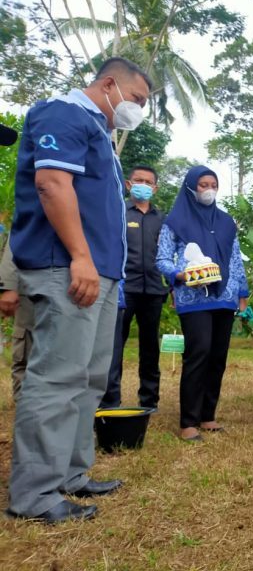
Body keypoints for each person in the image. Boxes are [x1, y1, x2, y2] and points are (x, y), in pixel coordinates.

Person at [7, 57, 151, 524]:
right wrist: (81, 257)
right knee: (56, 377)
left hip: (101, 273)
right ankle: (34, 495)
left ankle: (70, 472)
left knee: (88, 378)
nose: (138, 110)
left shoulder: (100, 134)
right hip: (67, 266)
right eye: (137, 100)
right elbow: (51, 184)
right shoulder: (62, 113)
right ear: (109, 84)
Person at [156, 166, 248, 442]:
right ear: (190, 188)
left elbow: (234, 259)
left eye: (213, 184)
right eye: (203, 184)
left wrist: (241, 291)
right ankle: (188, 421)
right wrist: (178, 275)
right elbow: (161, 259)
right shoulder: (175, 222)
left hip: (224, 295)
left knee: (218, 355)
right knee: (199, 352)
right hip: (192, 295)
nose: (208, 190)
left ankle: (208, 416)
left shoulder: (226, 221)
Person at [101, 166, 168, 409]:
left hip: (153, 290)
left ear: (155, 188)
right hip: (123, 290)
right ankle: (110, 400)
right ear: (128, 185)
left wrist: (170, 286)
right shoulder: (117, 212)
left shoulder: (162, 219)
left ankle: (149, 400)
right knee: (114, 345)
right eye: (138, 180)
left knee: (150, 347)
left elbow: (168, 255)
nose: (143, 184)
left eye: (148, 182)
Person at [0, 125, 32, 401]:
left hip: (39, 287)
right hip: (22, 285)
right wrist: (7, 285)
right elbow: (15, 242)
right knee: (24, 349)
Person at [0, 243, 34, 400]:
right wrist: (8, 285)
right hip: (29, 289)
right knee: (25, 356)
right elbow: (17, 235)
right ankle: (25, 410)